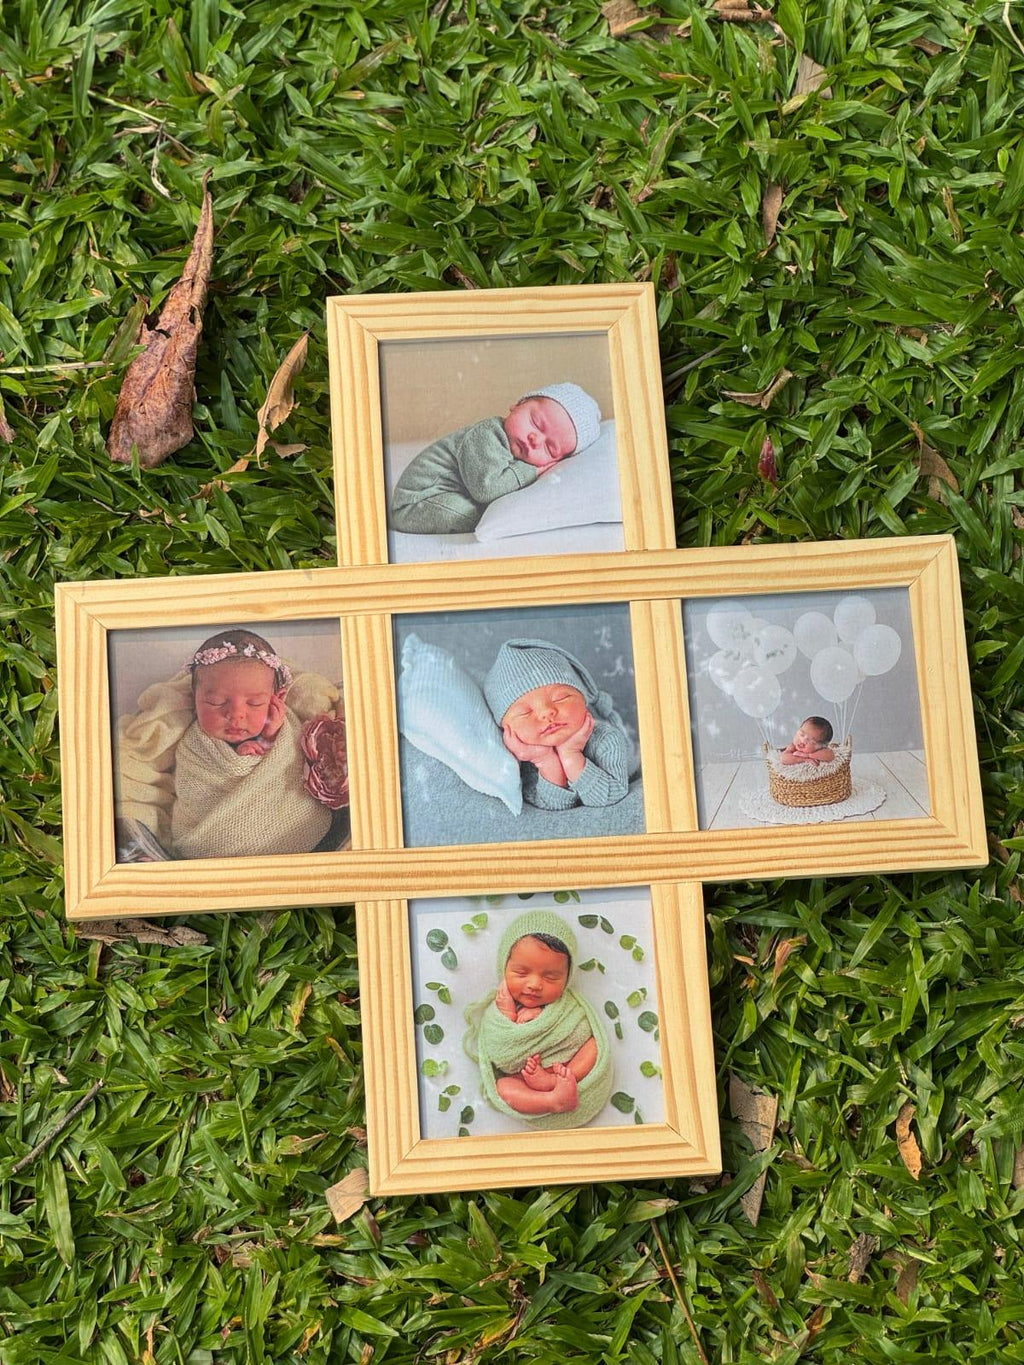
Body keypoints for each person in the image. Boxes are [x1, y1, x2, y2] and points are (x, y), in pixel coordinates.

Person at [115, 628, 344, 860]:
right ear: (194, 699)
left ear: (278, 699)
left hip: (288, 822)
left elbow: (294, 763)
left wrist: (269, 738)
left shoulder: (287, 727)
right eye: (216, 702)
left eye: (254, 703)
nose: (236, 715)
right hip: (211, 840)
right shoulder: (194, 745)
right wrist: (239, 760)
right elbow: (192, 790)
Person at [463, 910, 613, 1129]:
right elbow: (500, 1054)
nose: (534, 984)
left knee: (594, 1046)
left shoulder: (569, 1006)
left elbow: (580, 1029)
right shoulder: (498, 1012)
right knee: (504, 1086)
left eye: (551, 977)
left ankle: (557, 1082)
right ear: (503, 968)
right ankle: (553, 1101)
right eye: (522, 973)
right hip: (526, 1080)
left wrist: (543, 1015)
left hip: (570, 1067)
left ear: (568, 978)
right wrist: (508, 1016)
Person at [389, 382, 601, 534]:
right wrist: (534, 471)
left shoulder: (513, 445)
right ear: (518, 404)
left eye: (550, 448)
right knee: (472, 515)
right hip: (416, 502)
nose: (535, 439)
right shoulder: (487, 436)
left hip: (436, 497)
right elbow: (487, 489)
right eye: (535, 422)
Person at [483, 638, 633, 809]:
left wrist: (571, 754)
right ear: (506, 730)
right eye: (525, 712)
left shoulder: (606, 738)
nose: (547, 712)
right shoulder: (523, 758)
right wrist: (544, 760)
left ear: (583, 699)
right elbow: (553, 804)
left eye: (561, 698)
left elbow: (610, 795)